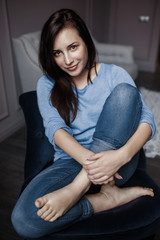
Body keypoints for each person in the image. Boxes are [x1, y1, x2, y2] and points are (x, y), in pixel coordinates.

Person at [11, 8, 156, 238]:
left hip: (116, 165)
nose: (67, 60)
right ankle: (105, 200)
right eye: (57, 53)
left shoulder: (114, 75)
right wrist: (92, 166)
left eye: (73, 47)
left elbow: (147, 121)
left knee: (126, 94)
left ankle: (78, 188)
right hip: (72, 161)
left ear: (86, 42)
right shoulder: (46, 84)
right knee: (23, 220)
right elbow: (55, 130)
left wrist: (122, 156)